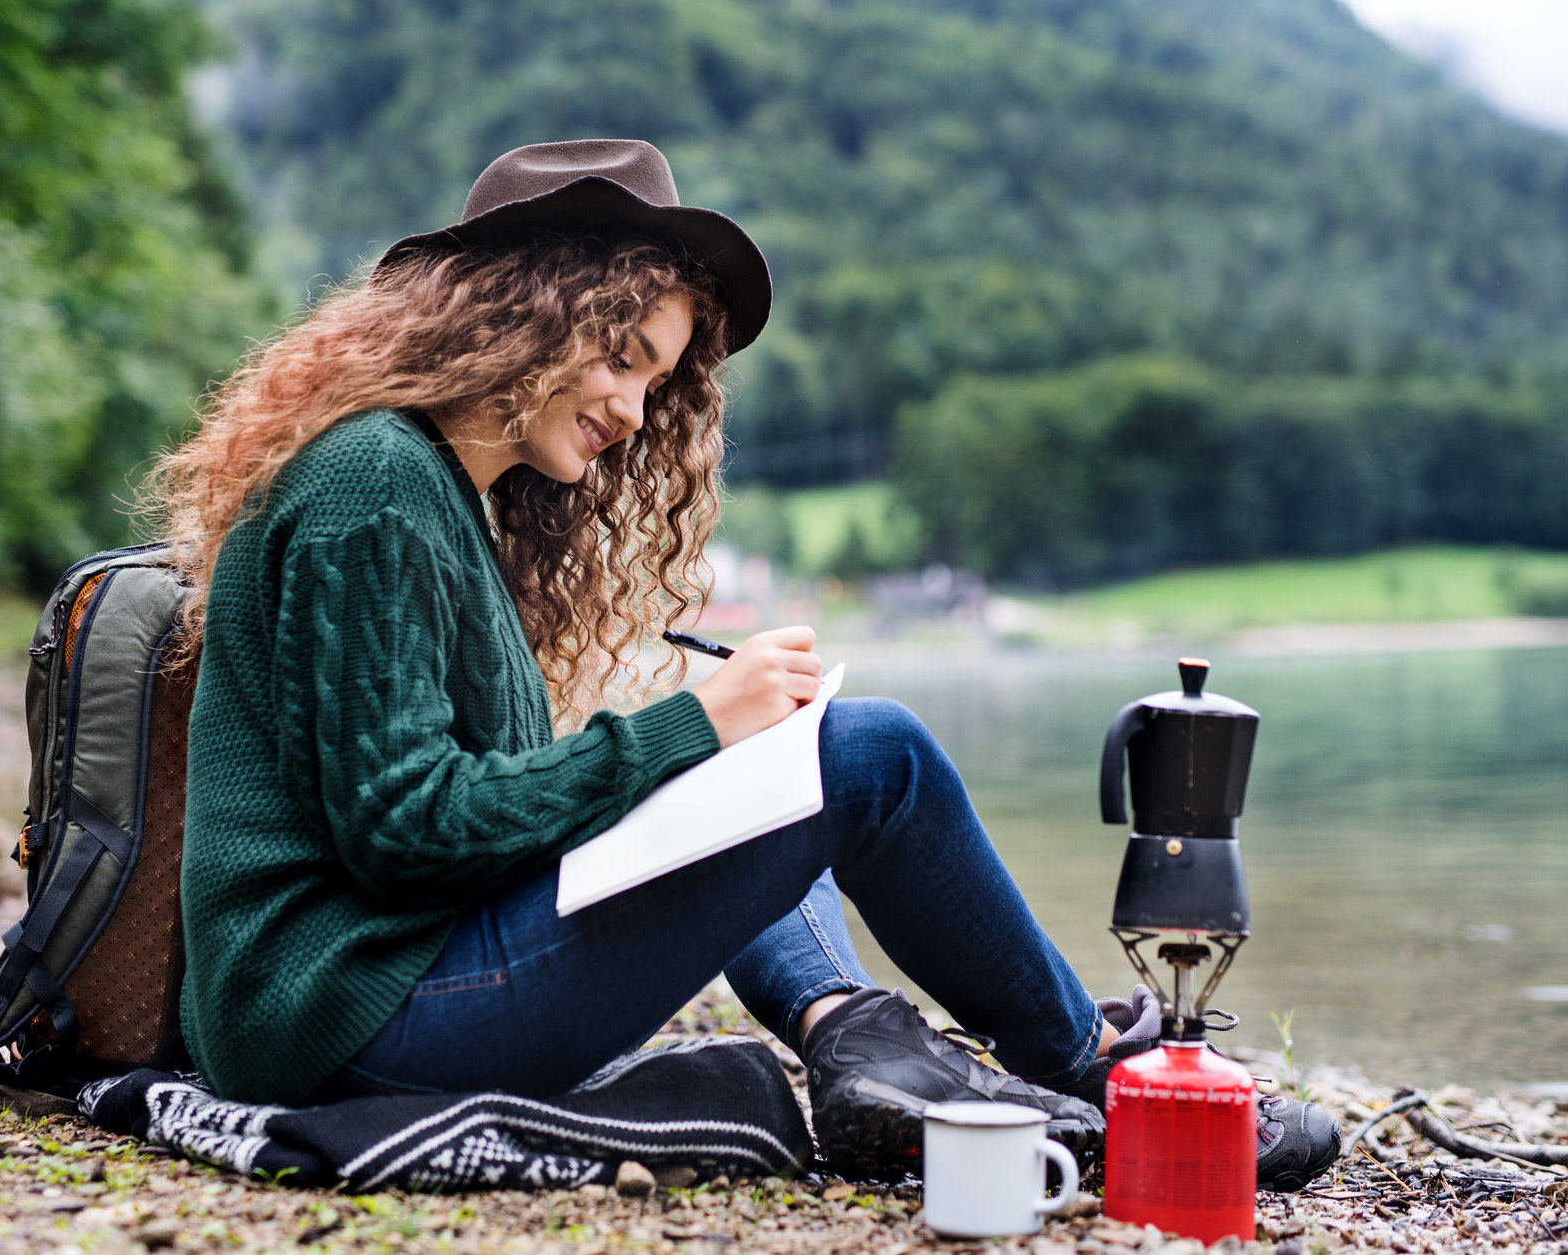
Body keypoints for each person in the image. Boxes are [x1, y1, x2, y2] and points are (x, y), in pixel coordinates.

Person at [147, 139, 1341, 1186]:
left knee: (782, 770)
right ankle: (1106, 1075)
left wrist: (715, 750)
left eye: (655, 379)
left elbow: (446, 814)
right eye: (618, 354)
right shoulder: (377, 484)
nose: (629, 405)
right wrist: (690, 728)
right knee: (874, 754)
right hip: (345, 1013)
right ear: (513, 313)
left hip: (369, 987)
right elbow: (405, 831)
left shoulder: (443, 494)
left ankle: (851, 1036)